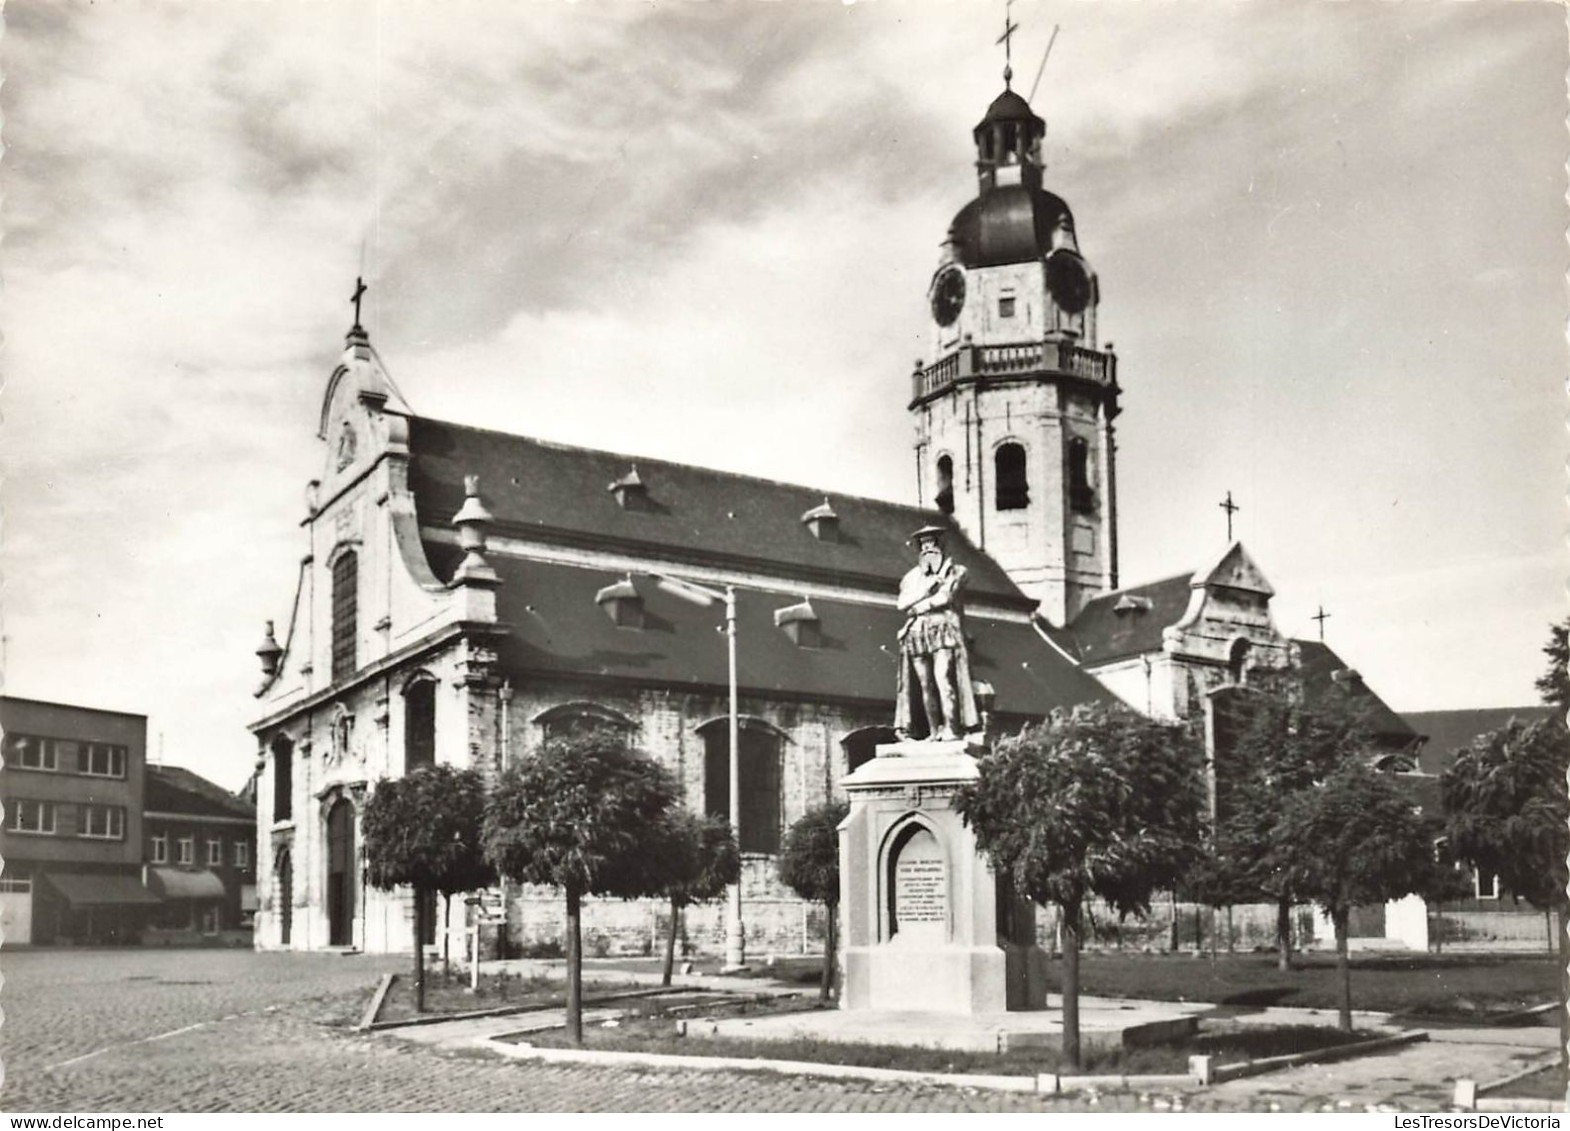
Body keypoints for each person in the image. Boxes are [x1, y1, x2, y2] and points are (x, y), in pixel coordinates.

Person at [895, 526, 981, 741]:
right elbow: (901, 604)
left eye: (931, 543)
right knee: (925, 684)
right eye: (923, 544)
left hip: (942, 629)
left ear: (940, 545)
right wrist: (925, 590)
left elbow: (945, 598)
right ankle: (933, 731)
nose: (927, 548)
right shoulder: (911, 577)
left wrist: (918, 606)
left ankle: (952, 728)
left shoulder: (956, 571)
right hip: (916, 632)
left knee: (943, 678)